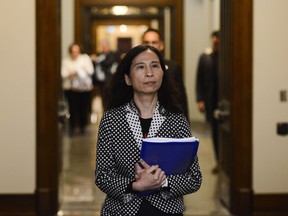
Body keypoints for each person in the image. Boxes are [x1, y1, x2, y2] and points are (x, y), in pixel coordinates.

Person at [95, 45, 202, 216]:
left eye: (154, 66)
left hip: (167, 211)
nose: (149, 73)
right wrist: (136, 185)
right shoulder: (111, 119)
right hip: (121, 211)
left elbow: (194, 178)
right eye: (140, 67)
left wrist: (161, 182)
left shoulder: (176, 119)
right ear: (128, 79)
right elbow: (103, 175)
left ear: (162, 73)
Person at [142, 28, 189, 119]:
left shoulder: (173, 68)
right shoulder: (134, 68)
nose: (150, 46)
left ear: (161, 45)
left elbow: (181, 99)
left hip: (168, 120)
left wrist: (185, 127)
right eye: (146, 42)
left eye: (154, 42)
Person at [195, 31, 220, 174]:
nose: (216, 40)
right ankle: (219, 161)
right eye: (214, 38)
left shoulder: (227, 57)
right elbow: (199, 79)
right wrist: (199, 99)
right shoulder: (205, 57)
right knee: (215, 133)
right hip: (211, 101)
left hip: (224, 101)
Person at [61, 42, 94, 136]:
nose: (75, 53)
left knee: (83, 108)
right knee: (72, 108)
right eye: (73, 52)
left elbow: (91, 71)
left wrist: (81, 71)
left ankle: (83, 126)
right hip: (71, 89)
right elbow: (63, 74)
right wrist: (73, 73)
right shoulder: (66, 61)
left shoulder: (85, 58)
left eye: (76, 51)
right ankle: (72, 127)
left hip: (84, 88)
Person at [90, 39, 121, 107]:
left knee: (111, 100)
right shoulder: (100, 54)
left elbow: (108, 63)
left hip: (110, 81)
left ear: (108, 46)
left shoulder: (113, 54)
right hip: (101, 83)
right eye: (102, 47)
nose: (104, 48)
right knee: (103, 101)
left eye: (105, 46)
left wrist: (97, 60)